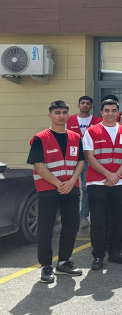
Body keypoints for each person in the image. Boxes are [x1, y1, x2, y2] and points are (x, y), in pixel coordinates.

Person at [28, 100, 86, 283]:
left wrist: (71, 181)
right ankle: (46, 266)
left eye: (64, 112)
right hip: (48, 189)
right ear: (50, 115)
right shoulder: (40, 138)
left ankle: (63, 262)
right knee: (46, 228)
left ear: (68, 114)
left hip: (71, 188)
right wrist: (59, 183)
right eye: (57, 112)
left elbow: (81, 161)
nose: (61, 116)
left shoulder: (75, 137)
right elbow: (39, 166)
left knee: (71, 225)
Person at [83, 98, 122, 270]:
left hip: (120, 182)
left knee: (116, 219)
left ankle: (114, 251)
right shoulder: (91, 131)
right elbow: (89, 156)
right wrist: (108, 175)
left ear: (118, 112)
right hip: (97, 182)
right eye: (107, 110)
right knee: (98, 221)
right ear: (101, 112)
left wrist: (116, 176)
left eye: (113, 110)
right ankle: (98, 255)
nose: (110, 113)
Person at [67, 95, 101, 229]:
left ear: (91, 106)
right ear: (78, 105)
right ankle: (69, 215)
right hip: (71, 159)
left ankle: (83, 216)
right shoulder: (69, 120)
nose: (85, 105)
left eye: (88, 103)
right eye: (83, 103)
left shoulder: (97, 121)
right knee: (70, 187)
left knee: (86, 188)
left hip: (88, 159)